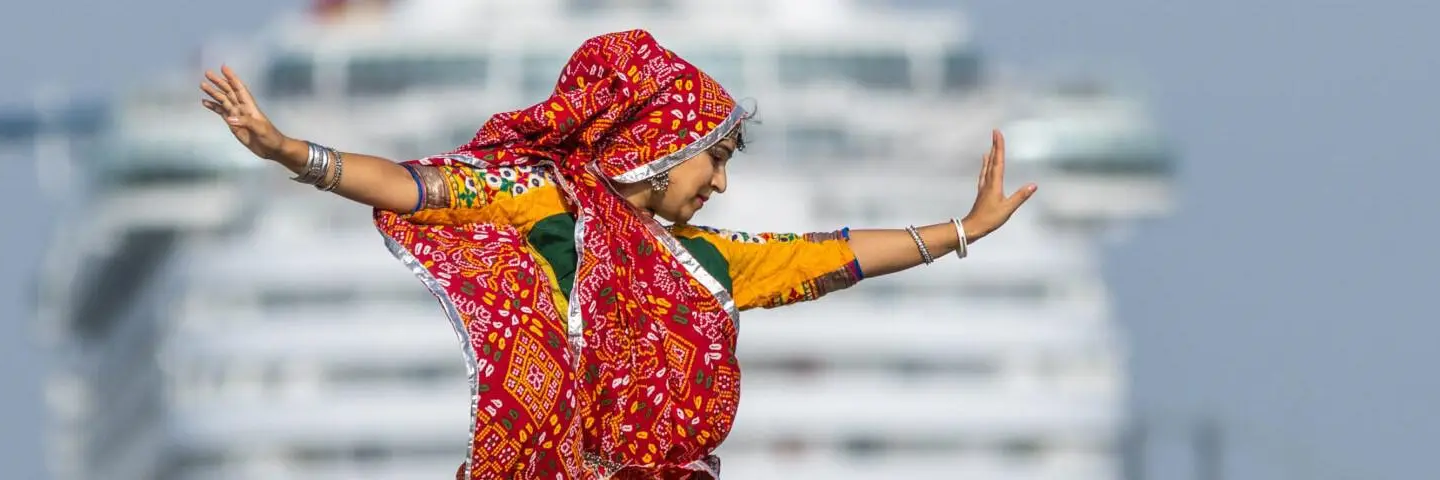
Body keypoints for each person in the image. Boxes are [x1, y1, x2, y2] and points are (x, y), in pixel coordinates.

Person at [200, 30, 1036, 479]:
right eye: (717, 159)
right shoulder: (536, 197)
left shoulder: (702, 264)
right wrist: (288, 152)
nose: (720, 184)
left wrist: (961, 231)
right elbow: (409, 186)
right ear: (665, 147)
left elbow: (829, 254)